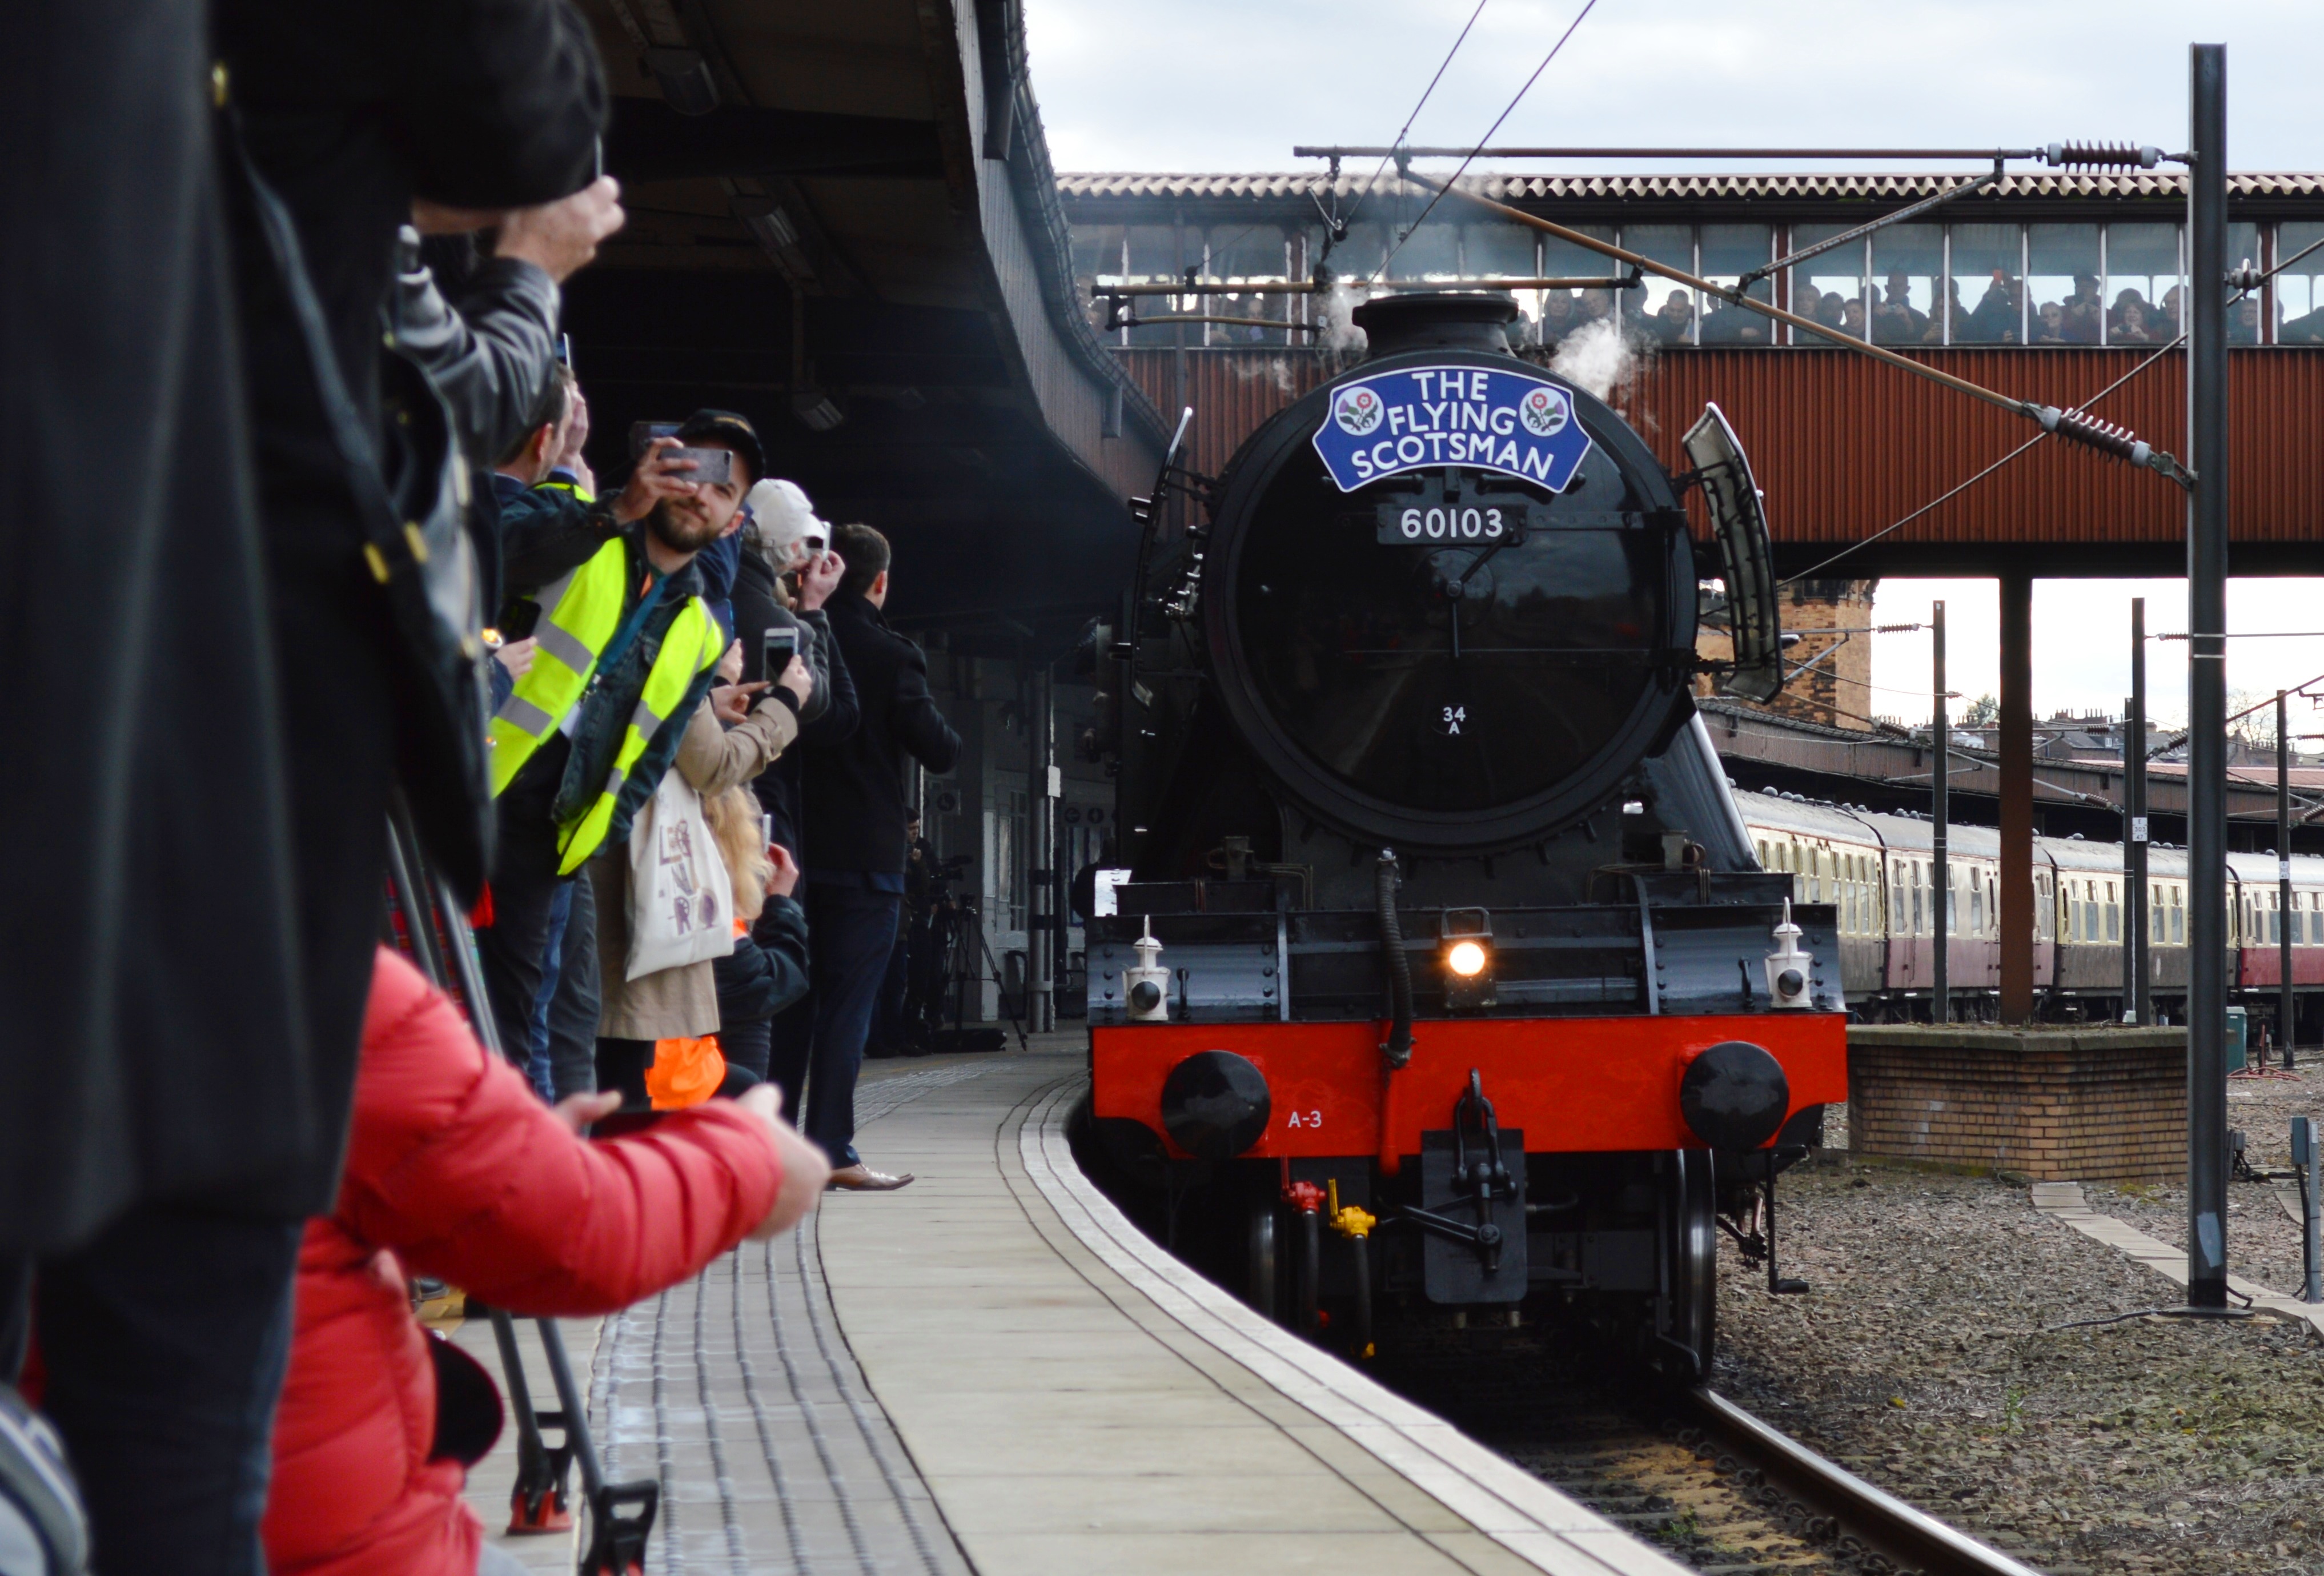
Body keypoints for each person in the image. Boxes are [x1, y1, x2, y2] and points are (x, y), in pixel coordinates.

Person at [261, 944, 829, 1576]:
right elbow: (574, 1237)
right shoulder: (297, 966)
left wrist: (503, 1162)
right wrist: (748, 1157)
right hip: (324, 1538)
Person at [476, 411, 776, 1118]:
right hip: (465, 803)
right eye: (690, 469)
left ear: (733, 522)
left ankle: (528, 1191)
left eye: (724, 490)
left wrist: (596, 833)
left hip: (553, 842)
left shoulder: (701, 628)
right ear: (654, 465)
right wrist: (617, 509)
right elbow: (490, 557)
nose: (702, 493)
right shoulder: (577, 522)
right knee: (480, 1017)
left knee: (534, 1030)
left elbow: (655, 752)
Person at [790, 524, 962, 1189]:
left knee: (790, 1002)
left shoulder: (796, 634)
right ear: (881, 581)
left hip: (795, 851)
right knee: (847, 1009)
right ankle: (831, 1148)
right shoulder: (890, 653)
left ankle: (774, 1147)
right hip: (867, 858)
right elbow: (940, 747)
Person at [590, 629, 810, 1106]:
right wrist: (785, 704)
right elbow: (714, 764)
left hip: (581, 879)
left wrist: (704, 700)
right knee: (746, 1080)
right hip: (658, 1056)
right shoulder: (678, 628)